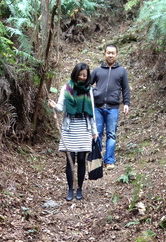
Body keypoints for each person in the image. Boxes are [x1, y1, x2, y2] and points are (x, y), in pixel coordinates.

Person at [49, 62, 98, 201]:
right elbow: (61, 108)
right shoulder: (66, 88)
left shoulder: (88, 90)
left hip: (84, 127)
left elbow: (92, 112)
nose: (82, 77)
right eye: (80, 75)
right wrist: (54, 106)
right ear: (75, 74)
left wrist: (94, 131)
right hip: (70, 128)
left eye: (85, 75)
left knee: (81, 159)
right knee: (70, 160)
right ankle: (70, 188)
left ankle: (80, 188)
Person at [91, 44, 130, 169]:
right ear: (105, 54)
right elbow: (87, 84)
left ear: (116, 55)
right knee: (96, 134)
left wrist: (126, 103)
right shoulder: (97, 70)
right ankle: (96, 160)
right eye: (108, 53)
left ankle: (109, 160)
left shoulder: (121, 71)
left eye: (113, 53)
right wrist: (94, 92)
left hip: (113, 108)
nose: (110, 55)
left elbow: (125, 89)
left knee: (111, 134)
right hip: (97, 107)